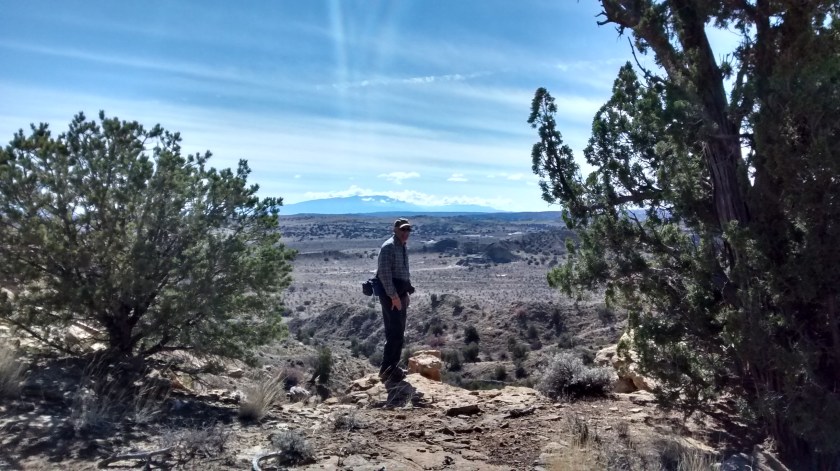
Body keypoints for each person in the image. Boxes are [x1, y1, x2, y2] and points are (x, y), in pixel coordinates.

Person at [375, 217, 415, 383]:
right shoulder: (389, 247)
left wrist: (405, 293)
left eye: (408, 230)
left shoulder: (402, 246)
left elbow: (403, 272)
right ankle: (386, 369)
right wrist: (394, 297)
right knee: (394, 332)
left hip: (400, 294)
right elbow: (384, 274)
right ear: (395, 230)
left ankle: (393, 367)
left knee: (399, 332)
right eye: (402, 229)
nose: (406, 232)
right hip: (391, 296)